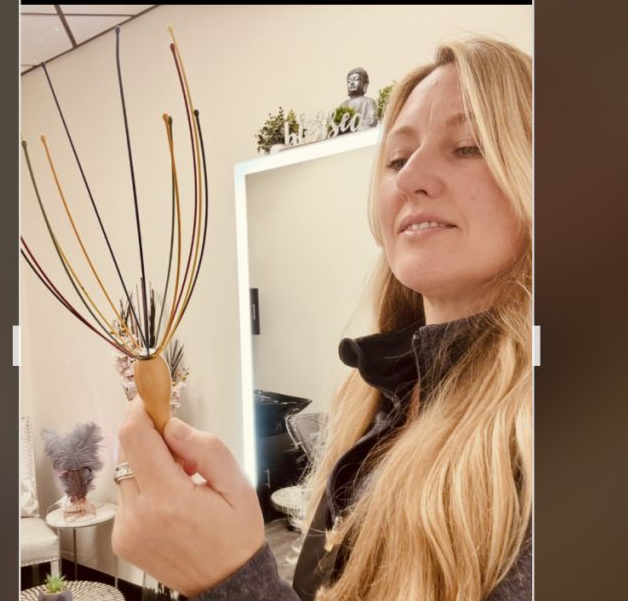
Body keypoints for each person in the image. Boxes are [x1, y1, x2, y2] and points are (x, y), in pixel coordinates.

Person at [112, 36, 532, 601]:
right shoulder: (374, 398)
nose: (409, 177)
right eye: (397, 159)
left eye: (467, 146)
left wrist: (231, 580)